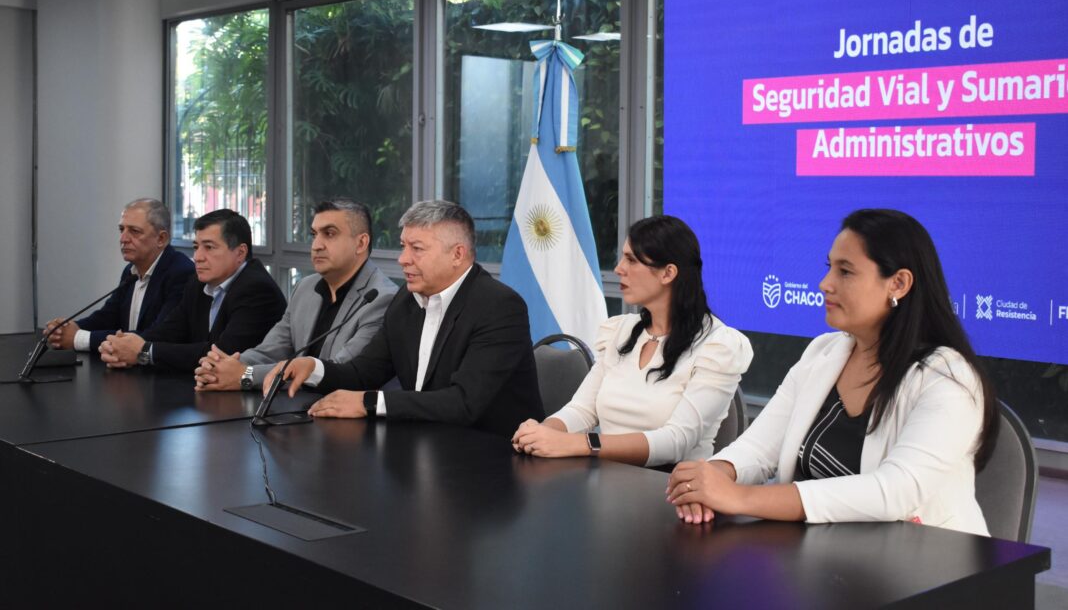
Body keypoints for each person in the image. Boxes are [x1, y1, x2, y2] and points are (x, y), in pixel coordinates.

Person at [666, 209, 999, 536]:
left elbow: (895, 491)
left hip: (924, 562)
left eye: (846, 271)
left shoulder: (949, 378)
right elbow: (758, 448)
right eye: (830, 268)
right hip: (816, 554)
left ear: (898, 283)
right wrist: (712, 477)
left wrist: (740, 498)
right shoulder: (822, 352)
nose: (825, 283)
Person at [263, 199, 544, 437]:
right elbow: (364, 372)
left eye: (417, 249)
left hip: (491, 458)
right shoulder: (405, 301)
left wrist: (369, 402)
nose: (403, 259)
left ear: (457, 254)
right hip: (424, 445)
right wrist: (312, 367)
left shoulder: (499, 306)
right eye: (403, 246)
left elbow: (464, 402)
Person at [511, 215, 753, 467]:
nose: (618, 269)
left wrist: (578, 444)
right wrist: (542, 433)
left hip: (670, 485)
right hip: (605, 477)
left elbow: (676, 440)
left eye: (632, 260)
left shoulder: (719, 345)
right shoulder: (620, 331)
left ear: (668, 273)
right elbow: (582, 409)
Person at [192, 199, 396, 391]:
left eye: (329, 234)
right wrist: (223, 368)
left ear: (361, 243)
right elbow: (269, 351)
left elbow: (338, 370)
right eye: (314, 234)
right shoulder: (305, 288)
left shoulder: (382, 298)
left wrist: (245, 375)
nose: (316, 245)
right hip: (295, 405)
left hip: (342, 411)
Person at [99, 209, 287, 375]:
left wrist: (143, 351)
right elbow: (170, 330)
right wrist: (123, 346)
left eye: (209, 247)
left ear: (240, 252)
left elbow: (220, 354)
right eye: (196, 247)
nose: (198, 257)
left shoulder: (258, 290)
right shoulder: (198, 282)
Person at [45, 198, 194, 352]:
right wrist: (67, 329)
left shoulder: (181, 273)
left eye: (134, 231)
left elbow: (156, 336)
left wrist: (78, 338)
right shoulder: (131, 271)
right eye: (121, 229)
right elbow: (108, 316)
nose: (123, 239)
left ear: (161, 238)